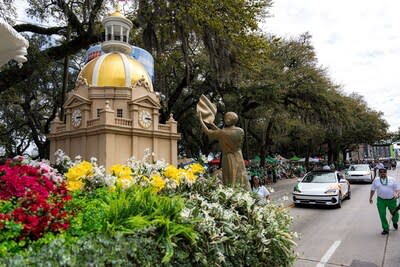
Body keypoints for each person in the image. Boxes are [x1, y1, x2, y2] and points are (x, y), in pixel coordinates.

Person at [198, 111, 251, 190]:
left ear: (228, 120)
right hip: (238, 156)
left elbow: (209, 132)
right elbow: (223, 135)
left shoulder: (222, 132)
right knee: (240, 177)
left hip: (228, 158)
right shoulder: (240, 131)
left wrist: (201, 120)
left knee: (230, 179)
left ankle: (232, 194)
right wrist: (213, 125)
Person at [369, 168, 399, 235]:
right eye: (381, 172)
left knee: (395, 213)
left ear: (386, 172)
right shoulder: (376, 180)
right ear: (379, 173)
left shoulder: (392, 179)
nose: (383, 173)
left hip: (392, 200)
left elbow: (397, 189)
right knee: (382, 214)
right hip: (381, 200)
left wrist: (397, 194)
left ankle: (395, 221)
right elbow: (373, 190)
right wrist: (370, 198)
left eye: (384, 172)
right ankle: (385, 229)